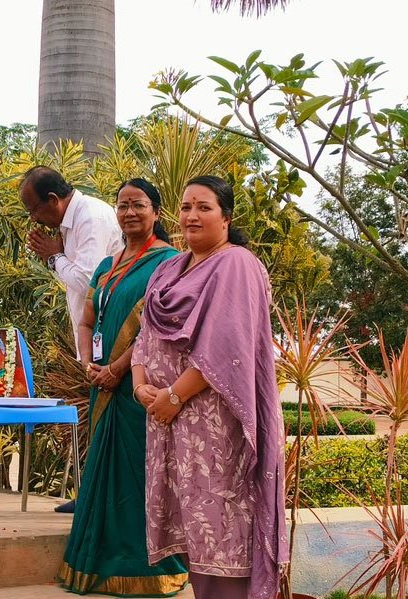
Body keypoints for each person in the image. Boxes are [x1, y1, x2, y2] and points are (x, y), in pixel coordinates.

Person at [131, 175, 287, 599]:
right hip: (167, 421)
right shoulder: (168, 267)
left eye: (204, 207)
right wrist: (141, 387)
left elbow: (227, 348)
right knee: (196, 531)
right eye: (186, 207)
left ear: (226, 217)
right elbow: (145, 336)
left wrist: (174, 396)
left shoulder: (237, 264)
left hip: (215, 425)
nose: (192, 215)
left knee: (225, 527)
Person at [59, 179, 188, 596]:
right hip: (101, 382)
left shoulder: (170, 263)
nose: (129, 212)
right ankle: (98, 563)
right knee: (104, 471)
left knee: (139, 472)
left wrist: (117, 369)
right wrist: (89, 363)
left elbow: (159, 330)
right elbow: (86, 321)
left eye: (138, 204)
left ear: (156, 212)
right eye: (122, 205)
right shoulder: (105, 266)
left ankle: (149, 569)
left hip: (140, 385)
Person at [20, 165, 122, 513]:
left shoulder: (90, 217)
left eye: (33, 209)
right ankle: (92, 496)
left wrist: (53, 256)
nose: (33, 218)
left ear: (53, 200)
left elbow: (89, 281)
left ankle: (100, 500)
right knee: (98, 417)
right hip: (91, 334)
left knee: (107, 418)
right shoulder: (71, 222)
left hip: (110, 333)